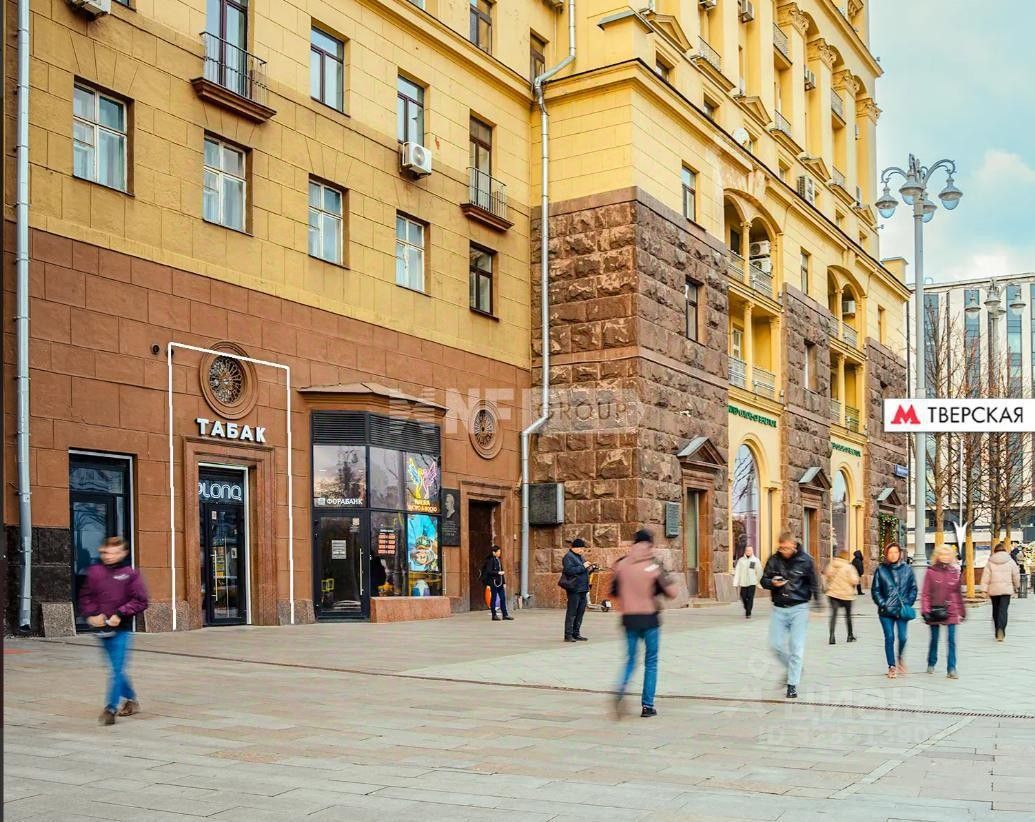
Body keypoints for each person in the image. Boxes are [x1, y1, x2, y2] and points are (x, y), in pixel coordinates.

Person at [77, 536, 149, 725]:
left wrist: (120, 613)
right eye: (107, 552)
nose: (110, 556)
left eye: (115, 553)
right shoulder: (94, 572)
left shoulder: (130, 574)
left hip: (121, 629)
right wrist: (91, 615)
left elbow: (141, 600)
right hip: (102, 629)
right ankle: (132, 700)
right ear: (102, 552)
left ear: (123, 553)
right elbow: (85, 597)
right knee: (116, 669)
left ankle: (110, 708)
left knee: (116, 669)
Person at [612, 529, 677, 718]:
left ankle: (620, 688)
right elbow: (671, 592)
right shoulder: (653, 564)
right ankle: (647, 706)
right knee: (651, 662)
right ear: (650, 544)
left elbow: (614, 591)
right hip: (649, 619)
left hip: (629, 619)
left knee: (631, 660)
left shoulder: (622, 564)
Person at [760, 531, 820, 699]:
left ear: (794, 546)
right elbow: (763, 580)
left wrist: (818, 604)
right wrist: (772, 583)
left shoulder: (805, 560)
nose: (783, 551)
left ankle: (792, 684)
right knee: (775, 645)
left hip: (799, 608)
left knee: (796, 647)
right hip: (779, 608)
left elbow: (814, 583)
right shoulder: (774, 559)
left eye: (786, 548)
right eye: (781, 548)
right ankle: (795, 668)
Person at [871, 543, 917, 679]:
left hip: (902, 610)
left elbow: (913, 588)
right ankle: (891, 666)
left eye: (896, 552)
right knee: (889, 637)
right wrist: (883, 604)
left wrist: (908, 602)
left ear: (900, 553)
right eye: (890, 552)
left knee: (903, 637)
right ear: (886, 554)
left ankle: (900, 657)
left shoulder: (907, 569)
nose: (893, 555)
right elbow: (875, 590)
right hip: (886, 611)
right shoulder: (881, 570)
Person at [922, 544, 965, 679]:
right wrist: (925, 610)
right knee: (934, 638)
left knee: (951, 640)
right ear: (938, 556)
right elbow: (926, 593)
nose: (945, 557)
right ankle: (931, 661)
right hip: (935, 609)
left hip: (951, 609)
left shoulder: (954, 572)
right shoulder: (931, 572)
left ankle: (952, 668)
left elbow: (958, 593)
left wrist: (962, 611)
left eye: (947, 554)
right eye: (942, 554)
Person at [980, 541, 1020, 641]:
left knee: (995, 610)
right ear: (1005, 550)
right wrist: (1017, 586)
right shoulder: (1010, 561)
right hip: (1006, 590)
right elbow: (1016, 575)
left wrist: (984, 590)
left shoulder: (990, 561)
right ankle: (1001, 629)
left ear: (995, 551)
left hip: (994, 590)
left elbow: (985, 576)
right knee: (1003, 610)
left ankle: (997, 629)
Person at [823, 550, 860, 644]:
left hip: (833, 594)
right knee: (848, 615)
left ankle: (832, 637)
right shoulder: (849, 567)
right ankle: (850, 636)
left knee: (834, 615)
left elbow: (826, 575)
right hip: (846, 595)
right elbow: (854, 580)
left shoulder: (832, 565)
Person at [560, 538, 592, 642]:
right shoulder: (568, 557)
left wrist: (590, 568)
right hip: (574, 588)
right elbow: (569, 571)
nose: (583, 550)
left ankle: (576, 633)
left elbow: (582, 570)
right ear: (575, 547)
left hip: (583, 588)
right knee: (572, 612)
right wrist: (583, 566)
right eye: (581, 548)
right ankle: (568, 635)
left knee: (580, 612)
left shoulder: (580, 557)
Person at [482, 544, 513, 621]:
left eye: (499, 551)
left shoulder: (498, 560)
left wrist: (504, 582)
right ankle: (494, 615)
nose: (499, 553)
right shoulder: (490, 560)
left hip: (500, 582)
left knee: (503, 598)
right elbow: (489, 571)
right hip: (494, 582)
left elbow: (502, 570)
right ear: (494, 552)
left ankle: (505, 614)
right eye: (498, 551)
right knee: (494, 598)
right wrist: (498, 573)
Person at [731, 545, 761, 618]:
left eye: (750, 550)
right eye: (747, 550)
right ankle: (746, 606)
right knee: (743, 596)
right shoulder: (741, 560)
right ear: (745, 551)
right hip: (743, 582)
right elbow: (737, 571)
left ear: (752, 551)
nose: (748, 552)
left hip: (752, 582)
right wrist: (735, 582)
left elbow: (759, 571)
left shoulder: (755, 560)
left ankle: (748, 613)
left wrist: (759, 581)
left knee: (750, 597)